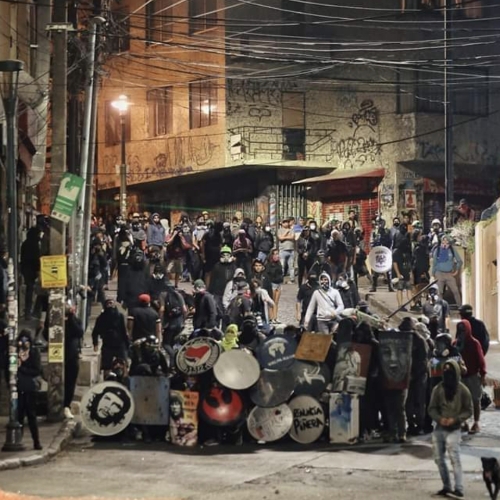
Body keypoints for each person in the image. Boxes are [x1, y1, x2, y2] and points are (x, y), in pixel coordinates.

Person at [428, 359, 473, 499]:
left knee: (454, 457)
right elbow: (431, 408)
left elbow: (469, 410)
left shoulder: (463, 390)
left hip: (454, 429)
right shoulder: (438, 389)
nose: (447, 373)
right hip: (440, 428)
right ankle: (446, 486)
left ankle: (458, 488)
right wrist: (439, 419)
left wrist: (456, 419)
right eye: (445, 370)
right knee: (438, 458)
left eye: (450, 370)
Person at [454, 319, 486, 435]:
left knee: (475, 399)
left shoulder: (474, 343)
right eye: (460, 330)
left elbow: (481, 360)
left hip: (472, 376)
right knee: (461, 400)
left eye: (464, 330)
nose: (462, 332)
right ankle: (464, 422)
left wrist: (482, 374)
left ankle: (476, 422)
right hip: (460, 376)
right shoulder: (455, 344)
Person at [17, 330, 42, 450]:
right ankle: (17, 440)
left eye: (26, 340)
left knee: (31, 415)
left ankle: (36, 441)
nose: (23, 343)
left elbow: (37, 370)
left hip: (30, 387)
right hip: (18, 387)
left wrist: (21, 368)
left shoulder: (34, 352)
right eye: (22, 340)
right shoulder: (15, 353)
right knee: (19, 415)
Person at [92, 298, 129, 377]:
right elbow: (95, 332)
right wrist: (95, 344)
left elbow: (124, 331)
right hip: (107, 344)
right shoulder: (101, 318)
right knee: (106, 366)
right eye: (108, 303)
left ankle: (125, 379)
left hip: (120, 344)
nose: (110, 305)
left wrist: (127, 344)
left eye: (112, 303)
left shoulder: (120, 316)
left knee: (124, 364)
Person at [64, 304, 84, 419]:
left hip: (72, 357)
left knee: (70, 383)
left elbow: (79, 332)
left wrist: (71, 318)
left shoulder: (75, 321)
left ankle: (66, 405)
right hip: (59, 356)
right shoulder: (55, 319)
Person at [431, 235, 462, 307]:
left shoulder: (452, 250)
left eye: (446, 241)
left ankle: (460, 306)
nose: (445, 243)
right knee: (439, 292)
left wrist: (456, 270)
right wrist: (433, 274)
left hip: (449, 273)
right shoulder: (437, 250)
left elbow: (459, 261)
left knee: (455, 291)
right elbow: (434, 263)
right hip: (439, 273)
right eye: (443, 241)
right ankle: (440, 308)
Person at [20, 227, 41, 319]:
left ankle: (28, 310)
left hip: (26, 268)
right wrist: (38, 270)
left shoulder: (25, 243)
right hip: (32, 269)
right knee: (32, 289)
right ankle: (29, 311)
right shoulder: (34, 244)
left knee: (30, 289)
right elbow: (36, 258)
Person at [392, 233, 413, 311]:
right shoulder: (396, 252)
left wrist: (410, 273)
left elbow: (409, 263)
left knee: (409, 289)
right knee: (400, 289)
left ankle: (412, 304)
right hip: (400, 274)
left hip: (406, 273)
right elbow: (395, 263)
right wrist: (398, 274)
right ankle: (400, 305)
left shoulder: (407, 252)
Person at [265, 249, 284, 323]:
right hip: (272, 284)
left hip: (279, 284)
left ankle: (275, 317)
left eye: (277, 254)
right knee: (271, 302)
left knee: (276, 302)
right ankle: (271, 317)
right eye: (274, 254)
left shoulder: (279, 263)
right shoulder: (268, 265)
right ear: (271, 255)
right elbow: (268, 275)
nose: (276, 255)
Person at [278, 218, 295, 283]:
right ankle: (281, 279)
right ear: (282, 224)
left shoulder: (292, 230)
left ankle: (292, 279)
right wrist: (287, 232)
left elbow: (292, 237)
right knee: (282, 266)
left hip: (291, 250)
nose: (286, 223)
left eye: (287, 222)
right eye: (284, 222)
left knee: (291, 266)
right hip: (283, 250)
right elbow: (280, 238)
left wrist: (284, 237)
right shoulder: (279, 230)